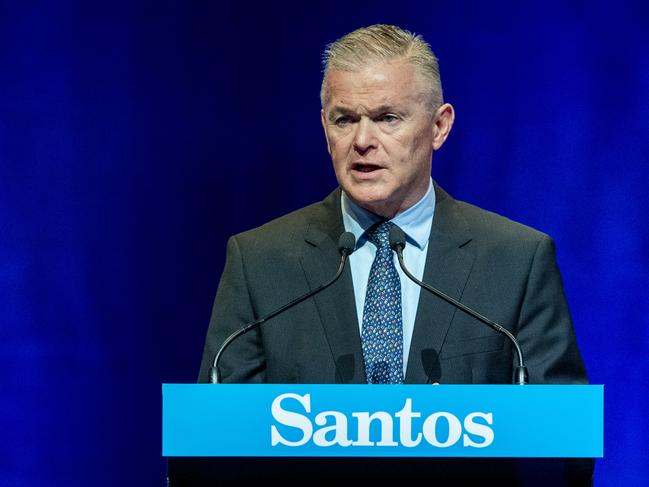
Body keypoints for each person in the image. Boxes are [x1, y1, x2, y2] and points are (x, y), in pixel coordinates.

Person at [196, 24, 592, 483]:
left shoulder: (517, 259)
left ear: (439, 126)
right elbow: (215, 444)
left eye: (387, 118)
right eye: (344, 118)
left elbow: (563, 448)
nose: (362, 140)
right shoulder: (259, 260)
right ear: (325, 127)